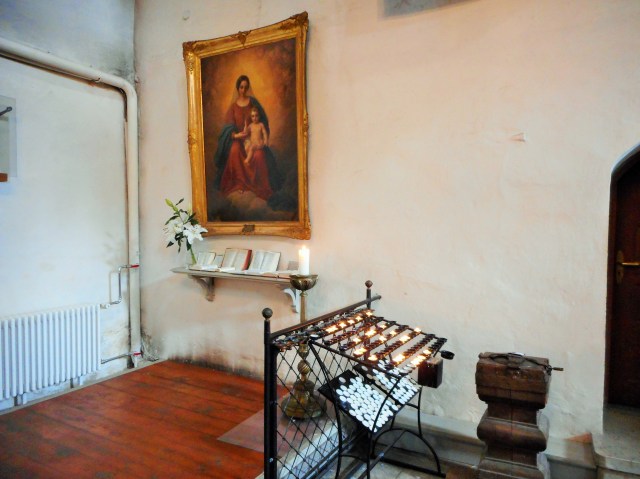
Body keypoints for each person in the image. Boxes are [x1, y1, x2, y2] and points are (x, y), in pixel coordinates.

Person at [213, 75, 281, 202]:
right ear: (237, 88)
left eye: (245, 87)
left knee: (259, 155)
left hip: (253, 140)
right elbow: (227, 128)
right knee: (234, 150)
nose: (243, 90)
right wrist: (236, 135)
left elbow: (263, 121)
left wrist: (260, 138)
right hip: (238, 140)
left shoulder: (253, 103)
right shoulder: (233, 107)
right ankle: (240, 183)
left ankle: (259, 185)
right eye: (241, 87)